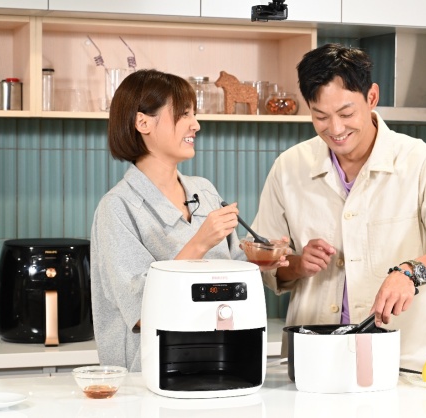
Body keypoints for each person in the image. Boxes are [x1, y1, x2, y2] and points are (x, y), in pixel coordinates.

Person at [252, 44, 426, 371]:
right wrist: (298, 264)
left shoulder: (422, 161)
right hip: (315, 361)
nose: (335, 129)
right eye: (320, 116)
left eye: (346, 114)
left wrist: (411, 272)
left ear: (372, 97)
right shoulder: (289, 167)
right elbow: (265, 262)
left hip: (405, 361)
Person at [90, 69, 287, 372]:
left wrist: (260, 258)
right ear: (143, 122)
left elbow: (230, 268)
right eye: (184, 114)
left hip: (221, 360)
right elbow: (140, 310)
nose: (196, 124)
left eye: (194, 114)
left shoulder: (204, 191)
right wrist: (199, 243)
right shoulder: (117, 208)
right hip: (153, 373)